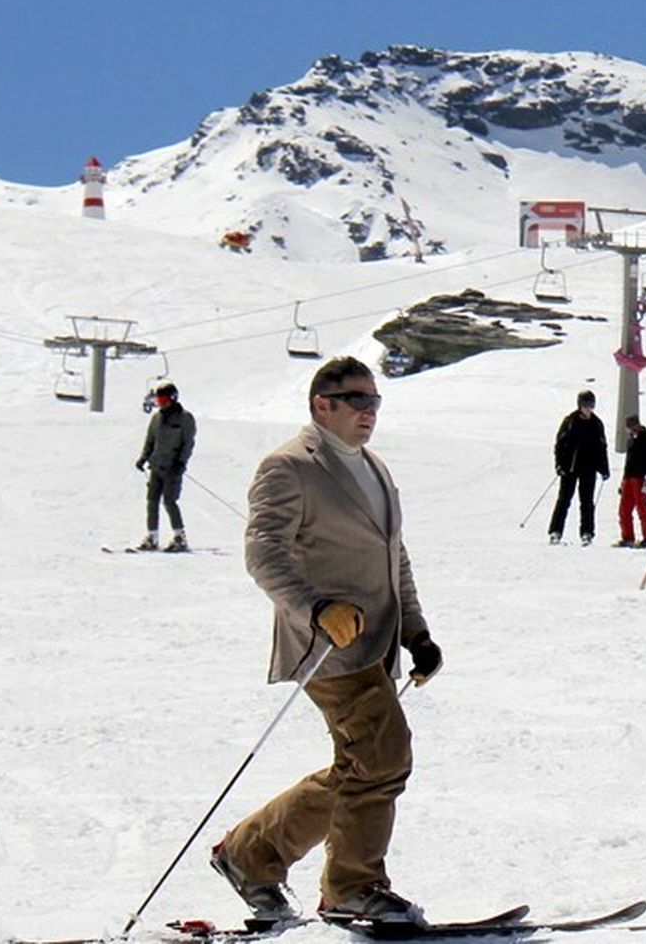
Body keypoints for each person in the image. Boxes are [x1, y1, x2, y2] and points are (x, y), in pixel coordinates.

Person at [213, 355, 441, 926]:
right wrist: (316, 610)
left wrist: (417, 632)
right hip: (328, 649)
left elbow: (395, 558)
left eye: (375, 401)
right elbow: (263, 553)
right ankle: (353, 887)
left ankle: (250, 854)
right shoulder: (289, 466)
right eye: (357, 401)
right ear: (323, 405)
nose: (369, 412)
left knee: (362, 766)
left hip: (378, 646)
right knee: (384, 756)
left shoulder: (374, 468)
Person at [133, 380, 197, 552]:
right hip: (156, 466)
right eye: (158, 401)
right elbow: (150, 441)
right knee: (152, 501)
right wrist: (143, 458)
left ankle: (179, 537)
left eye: (163, 400)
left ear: (173, 398)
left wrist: (181, 463)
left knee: (169, 501)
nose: (161, 404)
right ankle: (152, 536)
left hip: (172, 468)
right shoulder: (156, 418)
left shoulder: (185, 418)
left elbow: (188, 444)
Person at [547, 389, 610, 546]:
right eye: (586, 405)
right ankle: (556, 531)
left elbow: (602, 447)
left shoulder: (596, 424)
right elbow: (560, 445)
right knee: (564, 500)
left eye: (591, 406)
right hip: (570, 467)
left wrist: (604, 468)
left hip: (589, 468)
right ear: (580, 405)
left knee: (587, 502)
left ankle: (587, 533)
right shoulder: (570, 421)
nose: (588, 409)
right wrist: (559, 464)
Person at [614, 414, 646, 548]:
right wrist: (623, 481)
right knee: (624, 509)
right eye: (629, 427)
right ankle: (627, 537)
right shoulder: (630, 441)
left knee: (642, 508)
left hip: (641, 478)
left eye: (634, 426)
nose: (632, 429)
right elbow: (628, 462)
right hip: (629, 478)